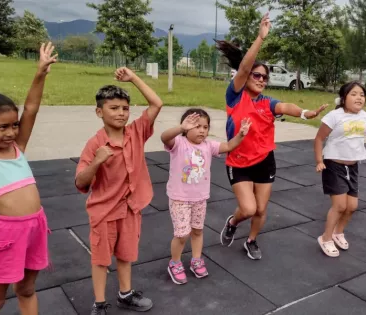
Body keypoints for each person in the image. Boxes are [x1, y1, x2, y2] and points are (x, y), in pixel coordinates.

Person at [215, 12, 328, 260]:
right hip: (239, 161)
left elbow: (286, 107)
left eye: (265, 77)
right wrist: (260, 38)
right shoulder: (235, 97)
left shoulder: (267, 103)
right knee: (248, 208)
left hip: (264, 160)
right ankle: (233, 222)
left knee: (262, 208)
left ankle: (252, 241)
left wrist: (306, 113)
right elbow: (244, 66)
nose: (261, 80)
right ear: (245, 79)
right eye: (257, 75)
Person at [75, 67, 163, 314]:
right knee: (101, 260)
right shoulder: (95, 144)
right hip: (104, 211)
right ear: (99, 112)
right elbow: (81, 182)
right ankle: (99, 303)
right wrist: (96, 162)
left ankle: (125, 294)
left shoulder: (136, 132)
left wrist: (133, 78)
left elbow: (157, 103)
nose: (121, 113)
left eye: (125, 108)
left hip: (130, 208)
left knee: (126, 255)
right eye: (114, 108)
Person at [0, 43, 57, 315]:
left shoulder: (18, 148)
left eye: (14, 125)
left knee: (27, 290)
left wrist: (40, 73)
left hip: (35, 227)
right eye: (2, 127)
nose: (11, 132)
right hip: (6, 234)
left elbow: (30, 108)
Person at [161, 109, 251, 284]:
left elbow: (228, 146)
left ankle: (196, 259)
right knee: (182, 234)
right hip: (179, 198)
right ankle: (175, 262)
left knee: (197, 230)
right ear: (186, 128)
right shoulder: (178, 143)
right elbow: (165, 137)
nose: (202, 130)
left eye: (205, 127)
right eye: (196, 126)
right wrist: (180, 128)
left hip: (200, 198)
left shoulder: (208, 146)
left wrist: (240, 135)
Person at [314, 82, 366, 257]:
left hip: (353, 166)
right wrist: (319, 160)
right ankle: (326, 238)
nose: (359, 98)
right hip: (333, 165)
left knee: (352, 207)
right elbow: (319, 139)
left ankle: (338, 232)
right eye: (354, 94)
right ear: (344, 98)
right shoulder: (334, 116)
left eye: (362, 95)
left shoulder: (365, 117)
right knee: (340, 206)